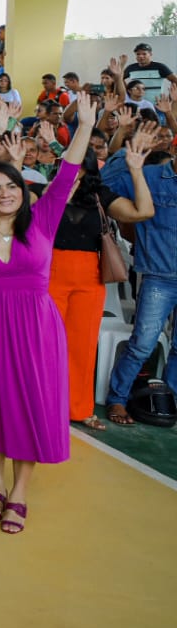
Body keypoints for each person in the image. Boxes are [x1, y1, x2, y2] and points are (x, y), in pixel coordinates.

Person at [0, 96, 98, 534]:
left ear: (24, 191)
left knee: (31, 406)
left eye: (11, 186)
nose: (4, 193)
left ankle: (19, 491)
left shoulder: (42, 219)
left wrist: (85, 126)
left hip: (37, 328)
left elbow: (68, 173)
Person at [51, 129, 154, 431]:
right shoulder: (49, 191)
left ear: (88, 167)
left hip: (89, 280)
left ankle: (79, 408)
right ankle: (45, 404)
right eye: (65, 162)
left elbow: (143, 211)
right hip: (49, 276)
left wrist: (136, 171)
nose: (71, 168)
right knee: (46, 345)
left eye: (77, 163)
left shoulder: (100, 196)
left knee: (82, 348)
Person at [103, 123, 177, 427]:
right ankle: (117, 399)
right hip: (159, 276)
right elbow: (104, 184)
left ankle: (169, 400)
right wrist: (127, 157)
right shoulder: (150, 176)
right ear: (173, 150)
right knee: (143, 344)